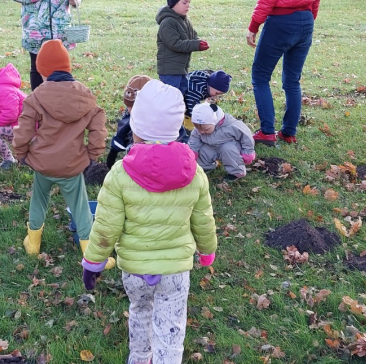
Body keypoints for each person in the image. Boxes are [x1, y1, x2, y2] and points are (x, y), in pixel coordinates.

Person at [81, 79, 217, 364]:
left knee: (140, 312)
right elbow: (203, 220)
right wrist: (206, 253)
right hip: (175, 271)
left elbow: (106, 227)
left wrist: (93, 263)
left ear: (135, 127)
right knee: (171, 325)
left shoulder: (119, 174)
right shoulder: (194, 173)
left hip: (135, 270)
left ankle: (140, 359)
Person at [12, 39, 108, 259]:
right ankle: (89, 252)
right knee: (81, 207)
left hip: (42, 164)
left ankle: (33, 243)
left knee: (38, 200)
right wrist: (92, 155)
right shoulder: (86, 97)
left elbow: (24, 128)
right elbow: (98, 129)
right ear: (68, 67)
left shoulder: (36, 96)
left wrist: (21, 154)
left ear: (42, 71)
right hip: (72, 165)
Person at [246, 0, 320, 147]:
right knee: (292, 80)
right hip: (305, 19)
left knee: (260, 76)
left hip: (281, 21)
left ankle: (267, 132)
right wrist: (310, 18)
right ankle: (288, 132)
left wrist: (254, 25)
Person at [156, 0, 209, 96]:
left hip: (181, 69)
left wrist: (199, 41)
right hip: (169, 71)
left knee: (181, 95)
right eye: (184, 3)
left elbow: (193, 36)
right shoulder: (167, 23)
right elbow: (175, 44)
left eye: (189, 2)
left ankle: (180, 113)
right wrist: (196, 45)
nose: (188, 6)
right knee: (171, 98)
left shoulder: (185, 21)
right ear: (173, 3)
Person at [188, 103, 256, 182]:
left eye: (206, 129)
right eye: (199, 130)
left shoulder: (231, 125)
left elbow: (246, 137)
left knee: (229, 150)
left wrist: (248, 152)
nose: (202, 132)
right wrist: (193, 152)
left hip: (228, 146)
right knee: (202, 150)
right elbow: (194, 139)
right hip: (210, 146)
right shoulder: (200, 128)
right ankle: (206, 167)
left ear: (215, 121)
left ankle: (236, 172)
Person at [106, 74, 151, 170]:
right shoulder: (128, 117)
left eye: (133, 107)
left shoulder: (158, 119)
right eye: (128, 107)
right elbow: (121, 132)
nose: (130, 110)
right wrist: (114, 151)